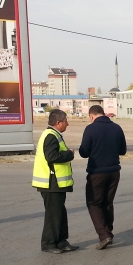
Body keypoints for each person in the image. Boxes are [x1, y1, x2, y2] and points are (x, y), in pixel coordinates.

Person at [78, 105, 127, 249]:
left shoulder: (90, 129)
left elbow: (84, 152)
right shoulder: (117, 128)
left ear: (91, 116)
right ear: (103, 114)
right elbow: (123, 150)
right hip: (114, 172)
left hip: (97, 173)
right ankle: (108, 232)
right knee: (107, 202)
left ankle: (104, 235)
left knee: (94, 203)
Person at [32, 109, 78, 254]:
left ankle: (61, 241)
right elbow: (52, 156)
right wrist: (69, 154)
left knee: (59, 213)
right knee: (53, 214)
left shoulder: (54, 134)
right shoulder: (50, 136)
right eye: (66, 121)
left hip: (56, 183)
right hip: (50, 183)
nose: (67, 124)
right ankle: (48, 243)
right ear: (58, 123)